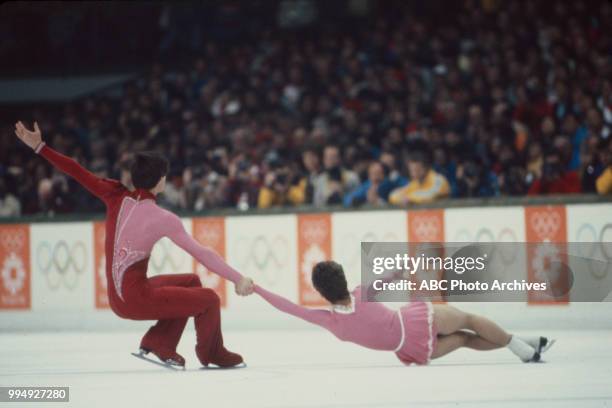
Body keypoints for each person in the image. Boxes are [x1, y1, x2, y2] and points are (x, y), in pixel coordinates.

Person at [14, 121, 254, 368]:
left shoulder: (115, 196)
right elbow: (202, 253)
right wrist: (237, 278)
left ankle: (160, 342)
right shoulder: (163, 218)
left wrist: (40, 147)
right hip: (136, 299)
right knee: (209, 299)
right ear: (161, 180)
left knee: (191, 282)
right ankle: (212, 353)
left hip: (118, 297)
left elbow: (77, 171)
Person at [252, 260, 554, 365]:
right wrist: (397, 274)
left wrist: (257, 289)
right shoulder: (361, 292)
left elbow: (288, 307)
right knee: (469, 321)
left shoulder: (330, 321)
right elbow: (382, 280)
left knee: (462, 339)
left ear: (321, 293)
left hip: (410, 347)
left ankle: (525, 346)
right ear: (343, 280)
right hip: (416, 319)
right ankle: (519, 344)